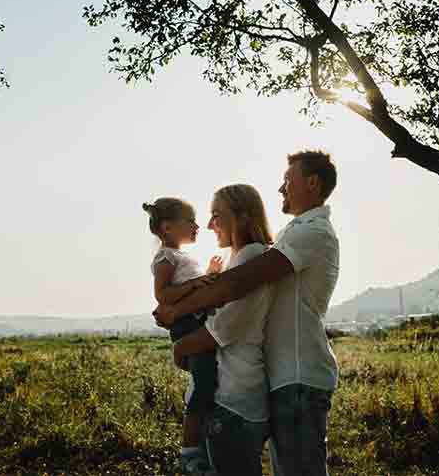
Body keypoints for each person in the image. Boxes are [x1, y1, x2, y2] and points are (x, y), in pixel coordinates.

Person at [157, 151, 342, 476]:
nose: (281, 188)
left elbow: (238, 284)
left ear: (312, 183)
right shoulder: (291, 233)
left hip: (297, 375)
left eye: (288, 180)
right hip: (282, 377)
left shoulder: (313, 232)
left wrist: (176, 311)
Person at [170, 184, 278, 476]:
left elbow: (223, 328)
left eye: (216, 215)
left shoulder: (253, 258)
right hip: (228, 399)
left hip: (235, 402)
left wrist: (180, 347)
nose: (208, 225)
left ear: (243, 217)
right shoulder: (239, 259)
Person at [143, 197, 224, 475]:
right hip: (186, 325)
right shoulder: (166, 257)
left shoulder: (183, 256)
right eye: (190, 220)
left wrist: (210, 276)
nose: (197, 225)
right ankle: (190, 451)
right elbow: (162, 295)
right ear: (167, 228)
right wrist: (194, 283)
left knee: (210, 377)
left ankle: (207, 433)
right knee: (203, 383)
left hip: (196, 320)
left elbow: (196, 290)